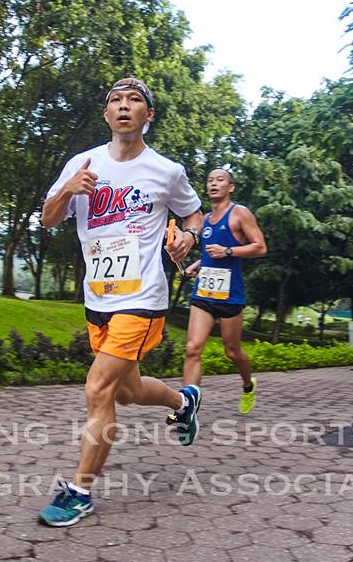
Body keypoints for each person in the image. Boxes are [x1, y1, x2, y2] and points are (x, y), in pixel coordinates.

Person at [37, 77, 205, 527]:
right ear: (107, 113)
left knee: (98, 388)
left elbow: (194, 212)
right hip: (99, 297)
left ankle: (79, 492)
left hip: (143, 297)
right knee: (126, 392)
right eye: (116, 100)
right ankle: (183, 402)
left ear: (148, 115)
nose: (124, 106)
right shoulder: (82, 163)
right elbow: (48, 219)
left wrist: (189, 237)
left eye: (134, 100)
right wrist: (68, 189)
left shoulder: (166, 171)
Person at [177, 168, 267, 416]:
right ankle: (187, 408)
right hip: (203, 294)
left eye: (220, 180)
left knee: (232, 351)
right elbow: (210, 254)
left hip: (230, 295)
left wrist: (228, 251)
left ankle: (248, 385)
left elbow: (260, 247)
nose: (213, 184)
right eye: (210, 180)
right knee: (192, 348)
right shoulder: (205, 219)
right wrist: (198, 265)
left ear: (231, 187)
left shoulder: (240, 214)